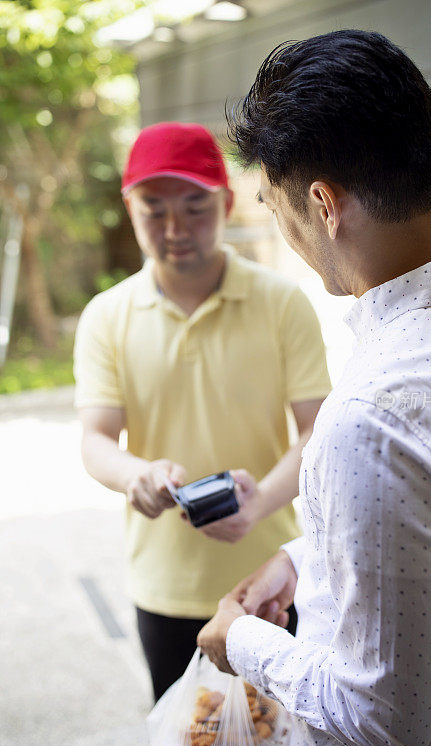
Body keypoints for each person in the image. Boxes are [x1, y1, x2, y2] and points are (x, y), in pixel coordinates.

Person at [197, 30, 431, 746]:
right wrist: (298, 563)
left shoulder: (372, 416)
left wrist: (242, 641)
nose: (281, 228)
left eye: (273, 204)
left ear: (321, 202)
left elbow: (383, 716)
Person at [73, 121, 331, 701]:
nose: (175, 229)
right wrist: (135, 475)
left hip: (269, 583)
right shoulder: (107, 317)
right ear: (129, 209)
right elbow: (95, 439)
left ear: (225, 200)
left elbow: (319, 429)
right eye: (153, 209)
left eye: (194, 207)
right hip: (163, 586)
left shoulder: (282, 302)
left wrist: (260, 501)